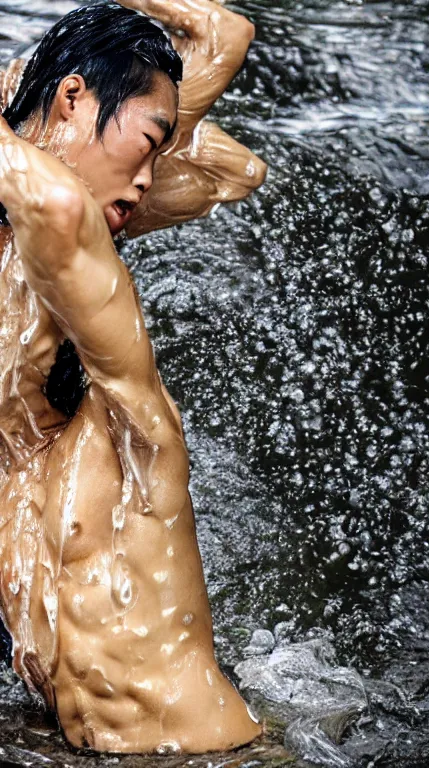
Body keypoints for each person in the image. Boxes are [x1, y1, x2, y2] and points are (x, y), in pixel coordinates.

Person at [0, 0, 265, 755]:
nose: (146, 182)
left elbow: (56, 199)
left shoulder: (124, 419)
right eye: (145, 145)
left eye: (158, 150)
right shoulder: (25, 464)